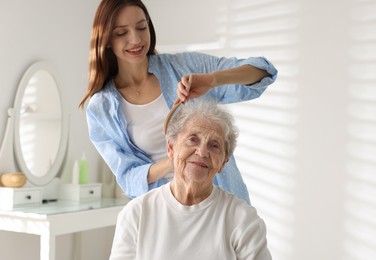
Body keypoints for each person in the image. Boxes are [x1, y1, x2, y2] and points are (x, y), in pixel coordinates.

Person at [79, 0, 278, 204]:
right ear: (107, 39)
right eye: (122, 33)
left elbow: (262, 72)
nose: (136, 39)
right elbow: (129, 178)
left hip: (220, 201)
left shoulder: (184, 67)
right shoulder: (101, 108)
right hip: (166, 209)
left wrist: (213, 80)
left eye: (141, 27)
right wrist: (175, 159)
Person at [109, 100, 272, 260]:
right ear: (171, 148)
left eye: (214, 145)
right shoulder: (136, 213)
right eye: (193, 139)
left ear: (223, 162)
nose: (202, 152)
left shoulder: (243, 219)